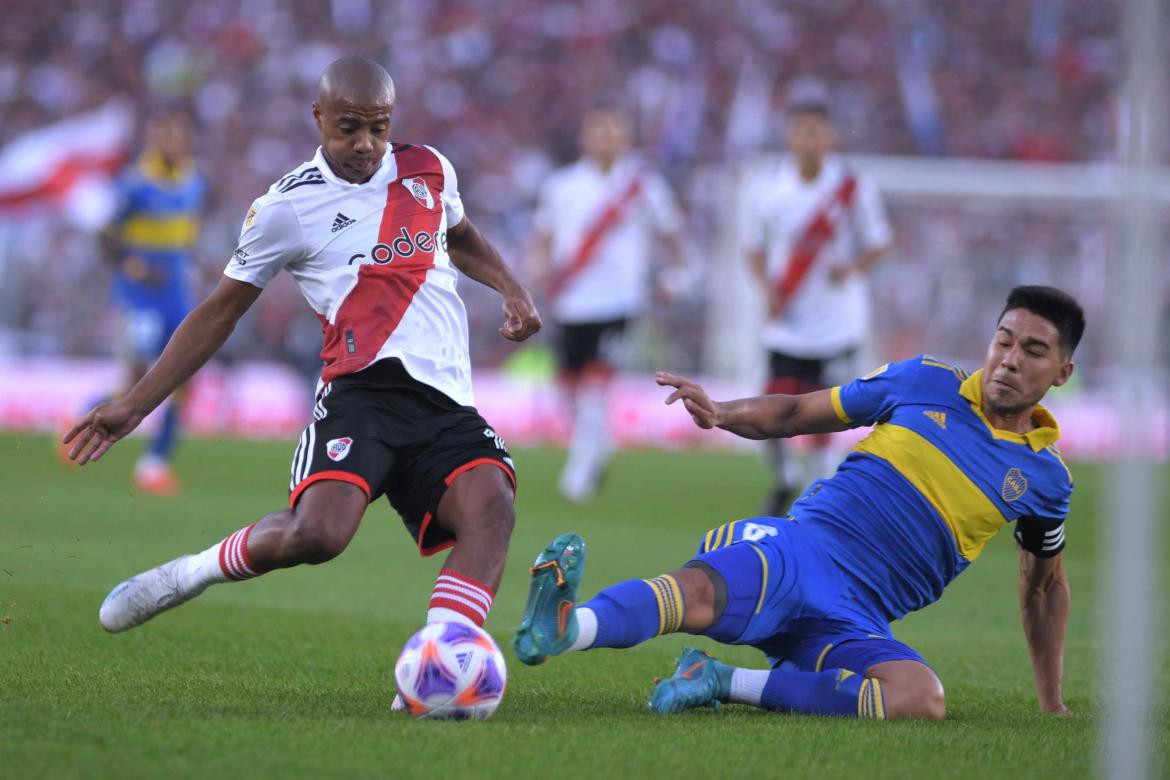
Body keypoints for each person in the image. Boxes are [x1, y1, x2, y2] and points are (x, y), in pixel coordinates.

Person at [64, 57, 542, 643]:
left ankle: (441, 662)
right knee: (318, 536)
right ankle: (189, 573)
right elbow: (220, 311)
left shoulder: (429, 169)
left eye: (379, 127)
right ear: (318, 118)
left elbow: (460, 236)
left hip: (445, 400)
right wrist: (136, 404)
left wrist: (512, 288)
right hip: (361, 395)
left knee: (492, 508)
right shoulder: (286, 208)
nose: (366, 143)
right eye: (349, 127)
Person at [514, 286, 1082, 720]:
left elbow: (1043, 587)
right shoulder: (924, 381)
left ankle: (719, 680)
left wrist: (1052, 700)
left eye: (1033, 350)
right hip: (804, 550)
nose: (1009, 359)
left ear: (1062, 372)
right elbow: (795, 413)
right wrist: (720, 413)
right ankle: (569, 627)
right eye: (1004, 340)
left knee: (919, 698)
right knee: (699, 593)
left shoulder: (1044, 479)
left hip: (856, 616)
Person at [745, 80, 893, 516]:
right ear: (790, 135)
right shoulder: (768, 189)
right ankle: (784, 477)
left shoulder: (852, 188)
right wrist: (766, 289)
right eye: (801, 130)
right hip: (788, 323)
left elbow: (880, 242)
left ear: (830, 136)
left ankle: (816, 492)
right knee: (770, 409)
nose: (809, 139)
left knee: (827, 413)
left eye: (817, 130)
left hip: (837, 324)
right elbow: (752, 249)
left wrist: (852, 268)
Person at [529, 107, 684, 503]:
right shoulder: (562, 186)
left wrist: (671, 278)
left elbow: (673, 237)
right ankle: (597, 445)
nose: (607, 137)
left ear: (627, 138)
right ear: (585, 136)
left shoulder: (643, 185)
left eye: (615, 130)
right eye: (599, 130)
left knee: (597, 385)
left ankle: (580, 470)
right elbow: (543, 238)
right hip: (570, 301)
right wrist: (533, 277)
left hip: (618, 302)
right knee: (568, 390)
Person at [97, 107, 206, 494]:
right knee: (138, 379)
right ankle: (83, 415)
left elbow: (187, 233)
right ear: (154, 138)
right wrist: (132, 264)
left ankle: (154, 463)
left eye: (180, 134)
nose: (174, 141)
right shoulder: (135, 183)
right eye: (167, 134)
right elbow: (106, 236)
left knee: (183, 377)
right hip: (141, 298)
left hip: (177, 296)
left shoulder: (193, 180)